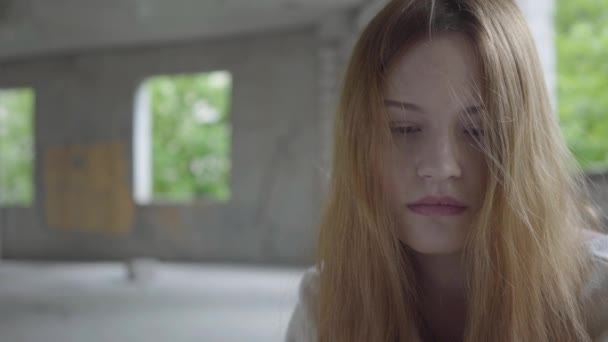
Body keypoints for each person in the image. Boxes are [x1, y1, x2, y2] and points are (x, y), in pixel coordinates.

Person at [285, 0, 608, 341]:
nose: (441, 167)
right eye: (404, 128)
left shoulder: (597, 299)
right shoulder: (325, 301)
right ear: (357, 143)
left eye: (478, 131)